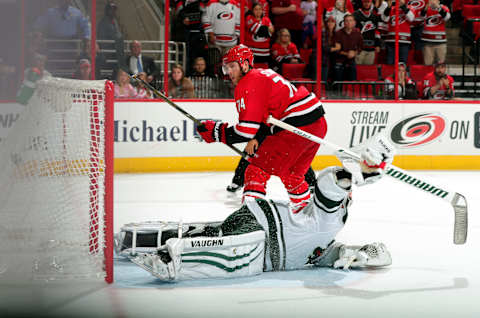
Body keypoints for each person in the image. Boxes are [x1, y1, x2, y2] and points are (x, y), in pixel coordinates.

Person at [123, 135, 395, 281]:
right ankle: (172, 258)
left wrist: (358, 253)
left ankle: (137, 238)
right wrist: (356, 171)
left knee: (211, 232)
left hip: (258, 221)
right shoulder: (330, 215)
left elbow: (375, 256)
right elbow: (332, 185)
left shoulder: (323, 246)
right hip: (261, 235)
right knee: (230, 254)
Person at [196, 45, 327, 213]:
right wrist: (257, 138)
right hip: (317, 123)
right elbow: (268, 118)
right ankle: (309, 217)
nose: (229, 72)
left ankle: (250, 220)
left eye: (232, 66)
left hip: (295, 125)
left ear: (244, 64)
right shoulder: (263, 74)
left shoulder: (247, 83)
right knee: (292, 176)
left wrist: (217, 132)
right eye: (226, 67)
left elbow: (245, 130)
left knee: (255, 171)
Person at [176, 0, 208, 76]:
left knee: (200, 56)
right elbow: (176, 19)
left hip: (199, 35)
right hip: (186, 36)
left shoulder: (201, 3)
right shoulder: (181, 4)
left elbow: (206, 16)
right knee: (187, 57)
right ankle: (188, 75)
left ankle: (202, 75)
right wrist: (182, 20)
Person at [332, 14, 363, 81]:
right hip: (339, 60)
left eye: (351, 20)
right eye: (347, 21)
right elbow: (336, 50)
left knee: (352, 82)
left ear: (354, 22)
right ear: (344, 23)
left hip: (351, 61)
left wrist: (354, 53)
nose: (349, 23)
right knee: (338, 82)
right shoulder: (338, 33)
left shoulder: (357, 33)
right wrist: (347, 54)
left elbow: (360, 47)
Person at [381, 0, 414, 64]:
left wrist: (403, 7)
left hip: (404, 41)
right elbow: (384, 19)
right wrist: (388, 8)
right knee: (389, 63)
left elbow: (411, 18)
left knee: (402, 64)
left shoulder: (410, 7)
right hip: (391, 41)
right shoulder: (391, 8)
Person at [419, 0, 450, 66]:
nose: (433, 1)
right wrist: (426, 8)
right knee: (427, 64)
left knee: (441, 65)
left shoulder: (444, 8)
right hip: (427, 42)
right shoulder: (426, 8)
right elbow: (421, 17)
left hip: (440, 42)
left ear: (438, 1)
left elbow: (447, 17)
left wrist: (438, 8)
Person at [353, 0, 381, 65]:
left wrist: (377, 44)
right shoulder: (355, 15)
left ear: (371, 3)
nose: (367, 4)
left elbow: (377, 32)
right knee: (358, 70)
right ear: (362, 2)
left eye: (368, 2)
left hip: (371, 49)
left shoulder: (374, 16)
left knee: (368, 71)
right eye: (365, 2)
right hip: (359, 49)